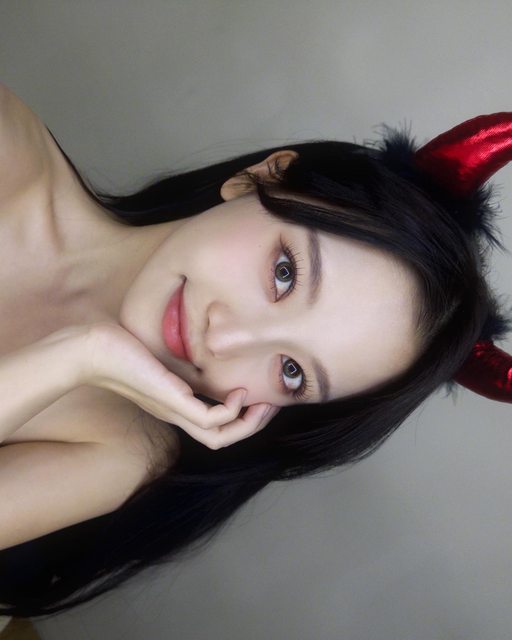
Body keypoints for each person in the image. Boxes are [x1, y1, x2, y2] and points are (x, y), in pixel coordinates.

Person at [0, 83, 510, 618]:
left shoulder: (121, 449)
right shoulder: (12, 154)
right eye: (285, 273)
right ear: (264, 176)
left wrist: (76, 357)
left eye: (291, 371)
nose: (224, 339)